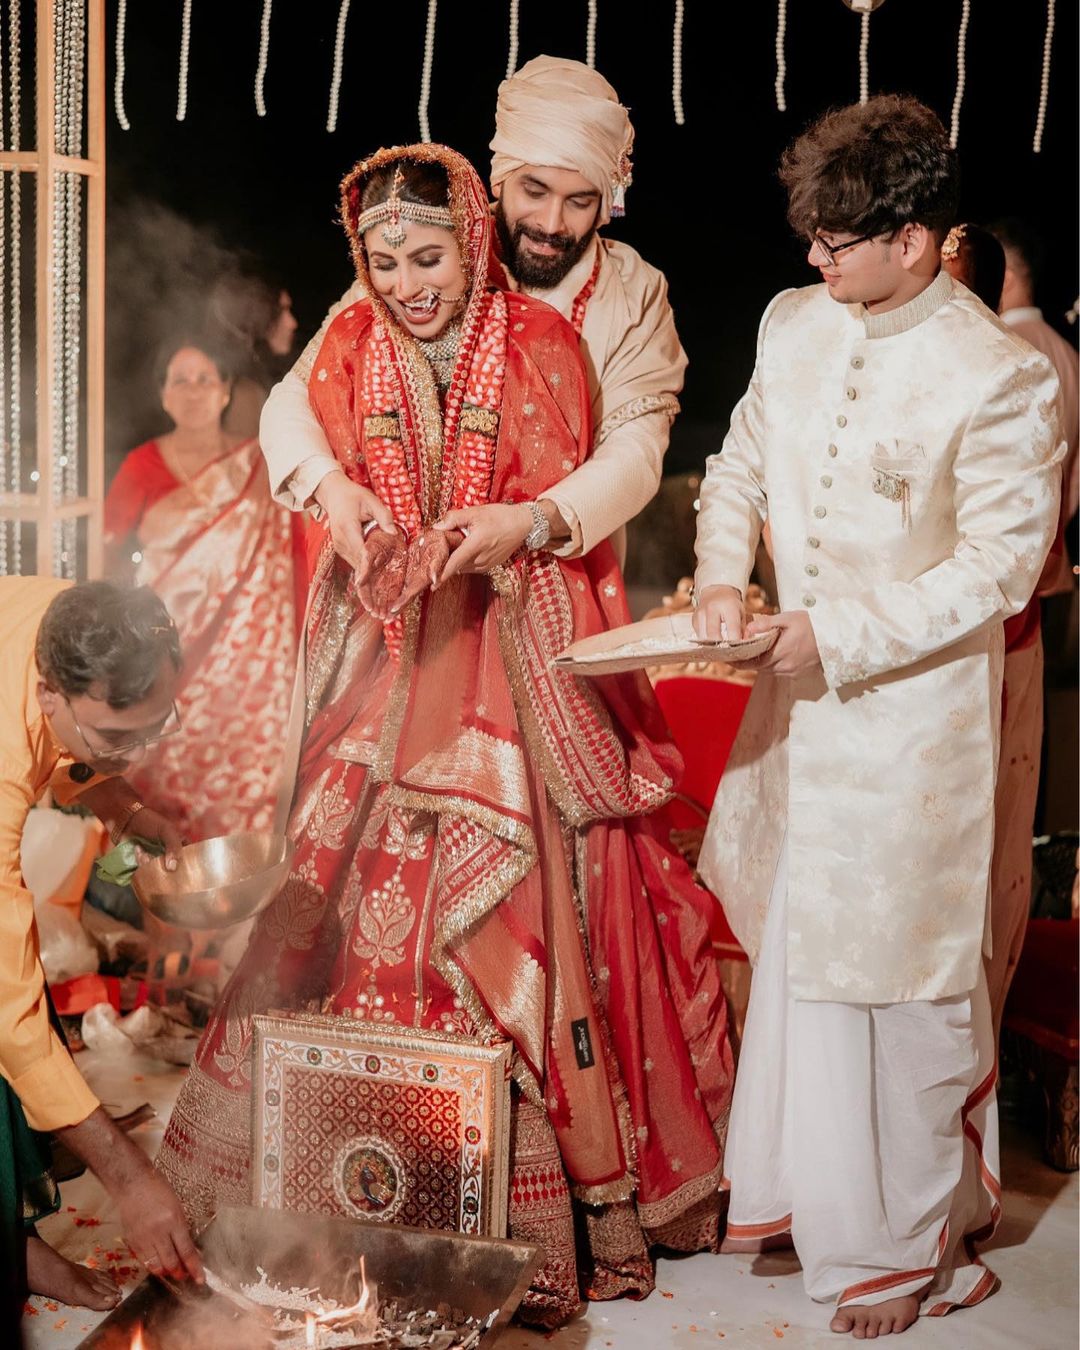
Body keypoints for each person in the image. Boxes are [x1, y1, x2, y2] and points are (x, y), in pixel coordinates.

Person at [156, 144, 734, 1329]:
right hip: (380, 668)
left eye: (429, 255)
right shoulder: (351, 336)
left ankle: (517, 1221)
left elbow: (610, 473)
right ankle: (333, 1205)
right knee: (329, 904)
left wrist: (521, 525)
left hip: (507, 670)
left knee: (511, 923)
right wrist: (336, 494)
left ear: (471, 237)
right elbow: (289, 422)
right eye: (384, 259)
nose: (410, 280)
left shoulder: (548, 343)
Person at [692, 96, 1063, 1337]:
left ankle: (911, 1248)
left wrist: (836, 632)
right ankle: (820, 1210)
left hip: (914, 738)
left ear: (915, 238)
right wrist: (716, 573)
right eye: (809, 235)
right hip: (798, 721)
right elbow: (740, 458)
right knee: (804, 971)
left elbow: (1000, 570)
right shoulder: (794, 323)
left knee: (905, 996)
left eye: (838, 238)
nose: (813, 258)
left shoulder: (1001, 377)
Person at [258, 56, 685, 577]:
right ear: (498, 179)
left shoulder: (633, 291)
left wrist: (529, 522)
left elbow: (635, 452)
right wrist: (330, 486)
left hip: (554, 576)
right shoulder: (431, 254)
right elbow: (295, 396)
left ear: (606, 204)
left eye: (578, 201)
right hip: (407, 587)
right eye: (534, 191)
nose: (551, 223)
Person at [1, 577, 204, 1329]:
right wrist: (132, 1180)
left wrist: (125, 803)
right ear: (51, 694)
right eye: (118, 740)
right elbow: (13, 1023)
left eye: (157, 727)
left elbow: (68, 744)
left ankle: (13, 1237)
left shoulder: (84, 625)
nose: (137, 753)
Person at [104, 337, 303, 842]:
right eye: (180, 381)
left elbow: (287, 554)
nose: (193, 392)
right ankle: (161, 892)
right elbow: (107, 561)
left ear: (225, 392)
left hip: (248, 671)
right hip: (162, 648)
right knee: (155, 777)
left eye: (204, 379)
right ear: (164, 396)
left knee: (248, 778)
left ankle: (238, 900)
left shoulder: (259, 466)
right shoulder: (140, 465)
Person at [209, 272, 299, 439]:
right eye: (281, 311)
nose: (292, 323)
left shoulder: (264, 371)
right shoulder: (242, 389)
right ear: (257, 316)